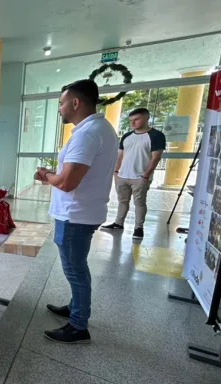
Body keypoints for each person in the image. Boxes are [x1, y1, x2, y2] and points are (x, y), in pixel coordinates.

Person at [34, 79, 117, 344]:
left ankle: (79, 325)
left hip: (75, 214)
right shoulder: (99, 128)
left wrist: (45, 174)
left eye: (61, 103)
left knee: (75, 269)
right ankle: (75, 307)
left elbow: (68, 182)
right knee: (76, 267)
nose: (59, 108)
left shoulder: (87, 133)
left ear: (76, 102)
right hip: (82, 211)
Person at [101, 108, 165, 239]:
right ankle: (118, 223)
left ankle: (138, 227)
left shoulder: (156, 136)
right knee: (122, 201)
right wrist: (116, 172)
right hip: (122, 175)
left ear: (146, 119)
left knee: (139, 202)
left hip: (140, 177)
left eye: (136, 120)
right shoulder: (127, 136)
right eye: (131, 120)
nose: (133, 123)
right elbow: (119, 156)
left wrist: (146, 175)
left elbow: (156, 157)